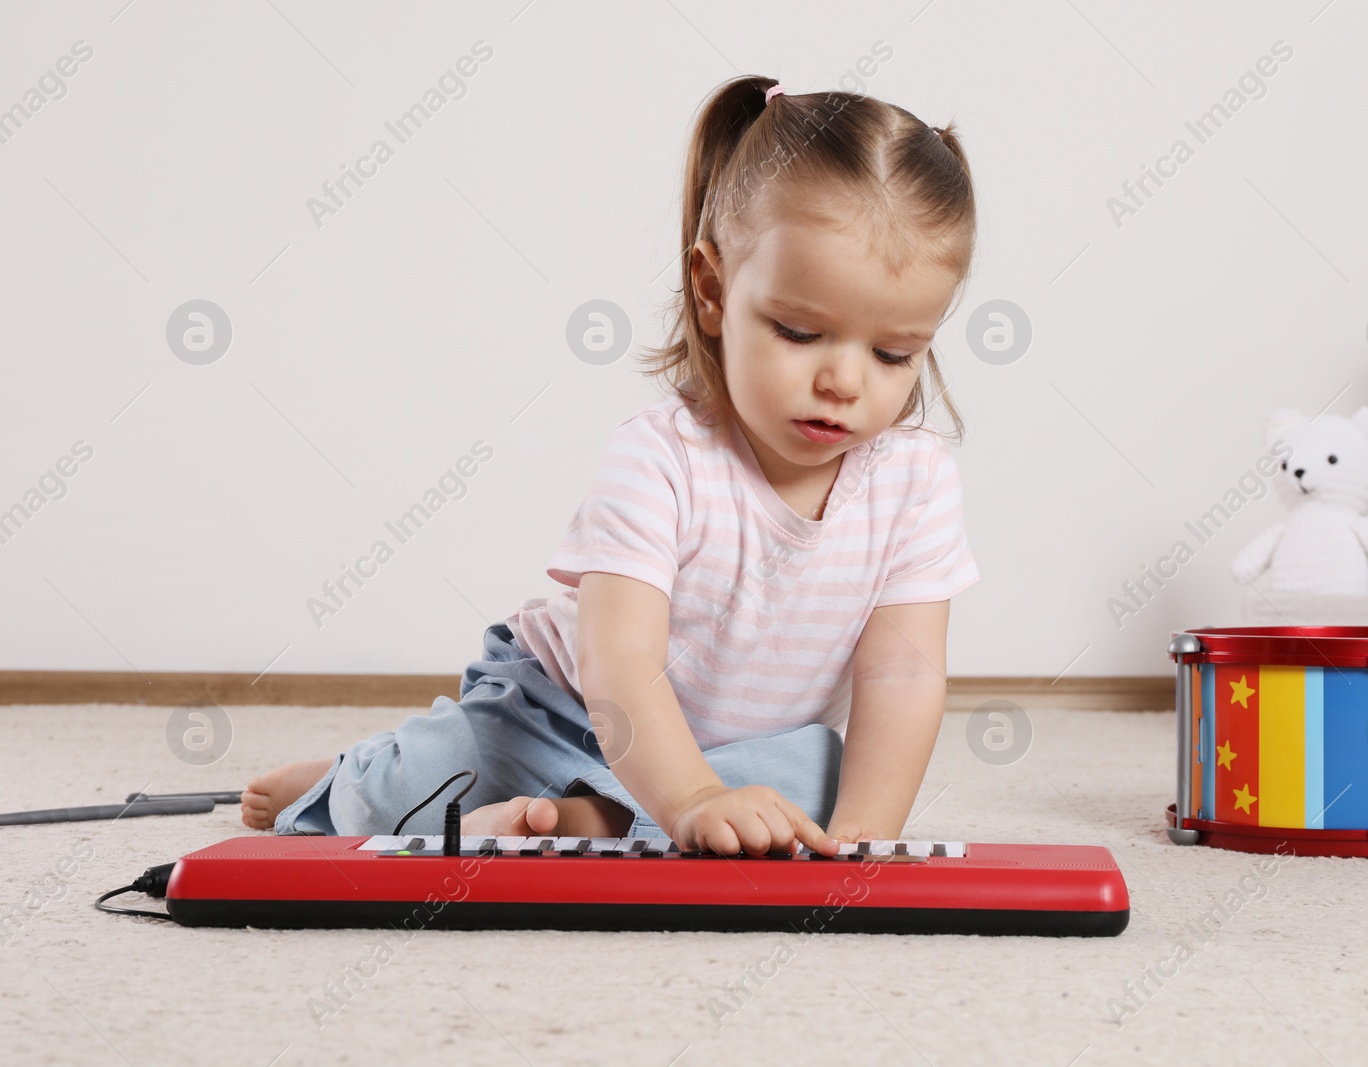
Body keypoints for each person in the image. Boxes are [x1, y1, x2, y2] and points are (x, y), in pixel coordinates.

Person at [242, 75, 980, 857]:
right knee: (445, 772)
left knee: (821, 771)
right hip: (562, 712)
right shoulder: (661, 457)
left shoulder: (914, 482)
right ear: (713, 290)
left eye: (894, 352)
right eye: (800, 332)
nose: (844, 381)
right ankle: (345, 783)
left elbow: (902, 674)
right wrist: (691, 798)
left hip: (740, 758)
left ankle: (595, 818)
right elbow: (619, 660)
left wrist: (862, 838)